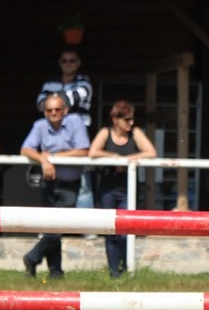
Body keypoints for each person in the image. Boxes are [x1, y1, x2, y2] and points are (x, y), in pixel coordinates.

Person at [20, 92, 90, 279]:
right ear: (45, 112)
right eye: (49, 110)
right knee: (53, 228)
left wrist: (53, 157)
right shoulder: (39, 125)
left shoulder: (75, 122)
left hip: (70, 185)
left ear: (65, 110)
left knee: (57, 228)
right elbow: (26, 149)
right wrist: (43, 159)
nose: (53, 113)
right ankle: (56, 272)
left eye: (57, 109)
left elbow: (83, 151)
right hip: (48, 183)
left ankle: (32, 257)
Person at [88, 100, 157, 278]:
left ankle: (126, 268)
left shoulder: (136, 133)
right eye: (127, 119)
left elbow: (151, 152)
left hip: (128, 190)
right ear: (115, 119)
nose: (131, 123)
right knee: (110, 232)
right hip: (108, 190)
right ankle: (114, 273)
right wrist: (114, 158)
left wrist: (128, 160)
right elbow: (93, 151)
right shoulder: (105, 132)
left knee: (125, 232)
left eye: (132, 119)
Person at [36, 48, 95, 212]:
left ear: (79, 63)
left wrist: (53, 99)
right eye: (64, 60)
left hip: (78, 137)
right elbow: (40, 104)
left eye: (72, 60)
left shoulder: (85, 81)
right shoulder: (50, 82)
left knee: (83, 181)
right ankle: (49, 228)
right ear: (59, 63)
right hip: (53, 134)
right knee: (50, 177)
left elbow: (72, 98)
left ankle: (87, 228)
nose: (68, 64)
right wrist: (58, 100)